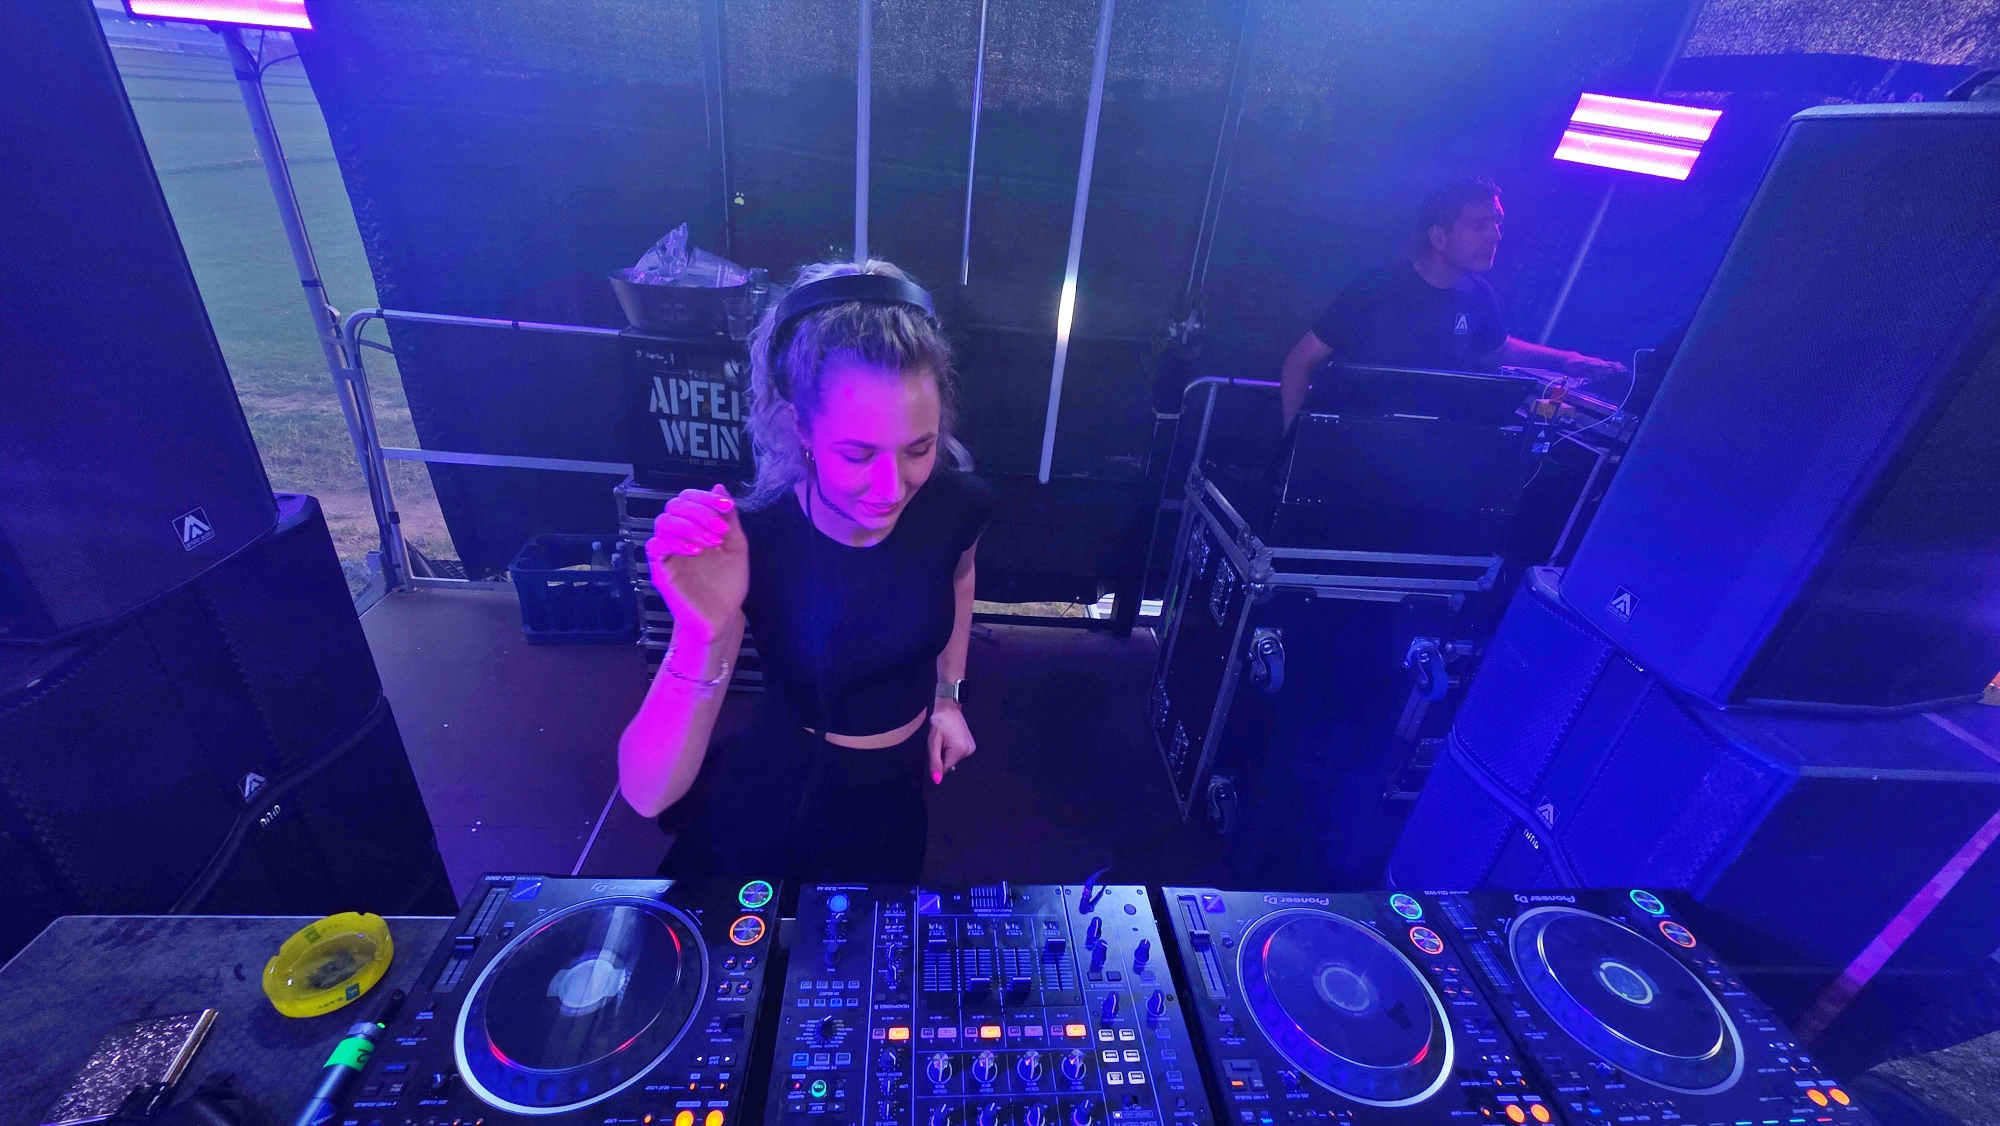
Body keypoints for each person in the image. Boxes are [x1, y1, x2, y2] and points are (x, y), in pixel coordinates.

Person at [618, 259, 991, 885]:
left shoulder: (959, 505)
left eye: (918, 448)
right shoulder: (755, 541)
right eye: (857, 454)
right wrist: (703, 634)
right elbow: (646, 791)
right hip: (781, 801)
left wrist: (948, 698)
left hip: (895, 794)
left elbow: (959, 575)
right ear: (802, 429)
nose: (891, 488)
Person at [1277, 177, 1627, 432]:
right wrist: (1294, 447)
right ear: (1439, 236)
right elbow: (1299, 362)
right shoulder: (1375, 288)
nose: (1495, 236)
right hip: (1349, 441)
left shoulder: (1479, 295)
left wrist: (1567, 360)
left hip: (1416, 456)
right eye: (1480, 226)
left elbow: (1498, 350)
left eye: (1497, 224)